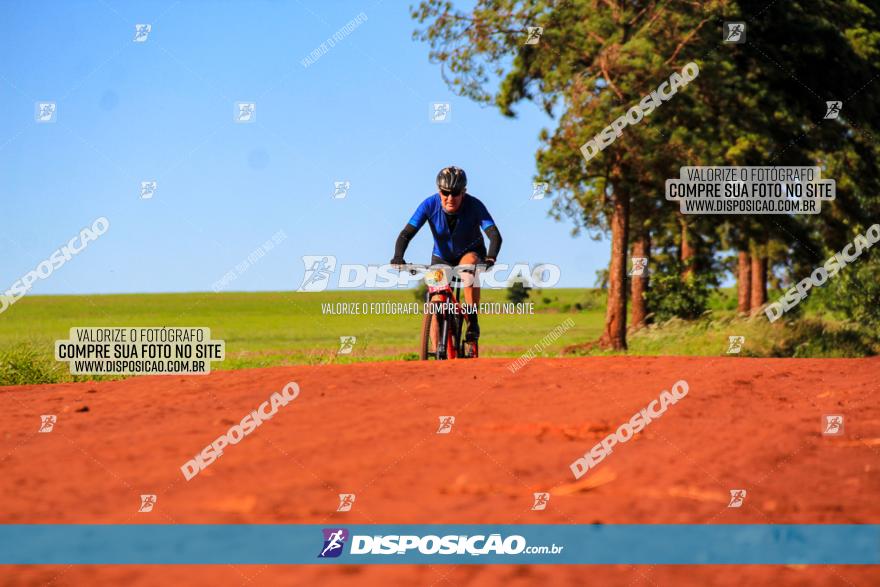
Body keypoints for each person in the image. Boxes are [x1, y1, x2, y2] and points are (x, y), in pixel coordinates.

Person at [391, 166, 502, 341]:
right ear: (439, 190)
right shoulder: (429, 204)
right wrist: (398, 256)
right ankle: (437, 357)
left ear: (463, 191)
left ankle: (472, 320)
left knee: (468, 267)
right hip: (441, 257)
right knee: (435, 304)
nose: (450, 198)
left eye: (455, 193)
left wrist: (490, 257)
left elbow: (494, 235)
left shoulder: (474, 205)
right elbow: (406, 234)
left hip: (470, 252)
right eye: (445, 193)